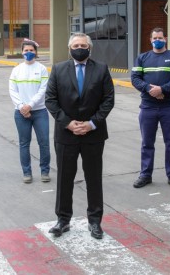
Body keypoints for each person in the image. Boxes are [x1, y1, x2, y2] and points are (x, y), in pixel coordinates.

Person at [45, 33, 115, 240]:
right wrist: (68, 123)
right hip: (66, 134)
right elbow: (51, 100)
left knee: (94, 179)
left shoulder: (101, 69)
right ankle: (63, 220)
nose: (80, 48)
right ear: (69, 48)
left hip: (93, 134)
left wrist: (91, 123)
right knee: (64, 178)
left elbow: (108, 100)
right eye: (76, 45)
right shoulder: (58, 69)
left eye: (83, 45)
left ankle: (95, 222)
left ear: (90, 48)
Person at [130, 28, 170, 190]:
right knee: (147, 142)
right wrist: (149, 89)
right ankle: (145, 174)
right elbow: (135, 78)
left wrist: (163, 90)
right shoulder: (142, 58)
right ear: (150, 39)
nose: (158, 40)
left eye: (160, 37)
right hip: (148, 106)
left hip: (169, 107)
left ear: (165, 39)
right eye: (155, 38)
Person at [8, 39, 51, 183]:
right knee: (24, 143)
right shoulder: (16, 70)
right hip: (20, 113)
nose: (28, 53)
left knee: (44, 142)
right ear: (22, 52)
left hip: (39, 112)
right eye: (26, 50)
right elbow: (13, 90)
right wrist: (21, 106)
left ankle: (45, 171)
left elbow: (42, 90)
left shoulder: (42, 69)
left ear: (36, 52)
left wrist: (30, 105)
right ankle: (27, 172)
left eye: (31, 50)